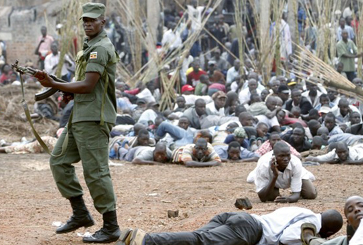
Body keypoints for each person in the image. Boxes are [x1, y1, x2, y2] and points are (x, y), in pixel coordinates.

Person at [33, 3, 121, 243]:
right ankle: (80, 213)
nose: (88, 24)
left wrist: (54, 84)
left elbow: (88, 85)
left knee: (96, 172)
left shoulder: (100, 48)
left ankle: (111, 227)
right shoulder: (89, 47)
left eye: (93, 20)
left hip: (94, 118)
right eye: (85, 20)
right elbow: (83, 84)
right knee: (59, 161)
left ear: (103, 22)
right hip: (80, 116)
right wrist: (68, 91)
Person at [117, 206, 342, 245]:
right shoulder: (311, 224)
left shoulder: (305, 211)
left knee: (195, 238)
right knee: (199, 241)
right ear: (329, 232)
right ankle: (145, 239)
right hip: (250, 231)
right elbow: (286, 238)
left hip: (239, 218)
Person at [247, 141, 317, 203]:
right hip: (271, 180)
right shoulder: (263, 164)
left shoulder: (295, 162)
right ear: (274, 156)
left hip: (295, 175)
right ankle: (255, 175)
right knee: (271, 197)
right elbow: (262, 198)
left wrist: (288, 199)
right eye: (282, 156)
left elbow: (296, 194)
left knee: (311, 194)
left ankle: (307, 177)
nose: (286, 159)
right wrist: (274, 176)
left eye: (288, 155)